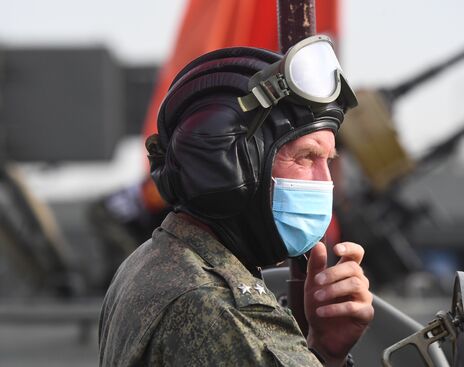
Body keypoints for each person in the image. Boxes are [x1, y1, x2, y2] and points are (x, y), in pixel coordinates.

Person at [99, 36, 373, 367]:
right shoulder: (221, 311)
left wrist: (326, 351)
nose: (325, 182)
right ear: (225, 168)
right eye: (306, 157)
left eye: (328, 160)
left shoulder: (153, 259)